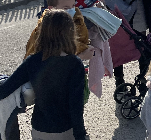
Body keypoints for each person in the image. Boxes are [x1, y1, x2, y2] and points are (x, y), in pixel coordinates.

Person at [0, 10, 89, 140]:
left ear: (42, 33)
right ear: (70, 33)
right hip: (64, 129)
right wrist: (81, 135)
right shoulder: (74, 64)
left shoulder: (32, 61)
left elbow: (4, 90)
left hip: (39, 128)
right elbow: (75, 106)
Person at [25, 0, 91, 60]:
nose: (72, 10)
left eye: (73, 6)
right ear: (51, 9)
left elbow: (83, 39)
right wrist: (81, 57)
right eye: (66, 8)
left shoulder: (77, 19)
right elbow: (47, 64)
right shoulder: (45, 30)